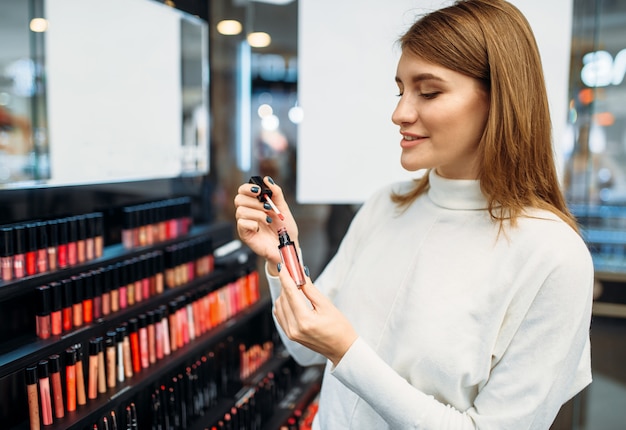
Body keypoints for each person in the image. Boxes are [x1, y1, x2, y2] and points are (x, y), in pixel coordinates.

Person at [233, 0, 594, 428]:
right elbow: (306, 347)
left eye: (429, 91)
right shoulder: (385, 206)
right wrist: (283, 254)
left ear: (500, 98)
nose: (400, 113)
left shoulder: (553, 256)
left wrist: (349, 353)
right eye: (400, 90)